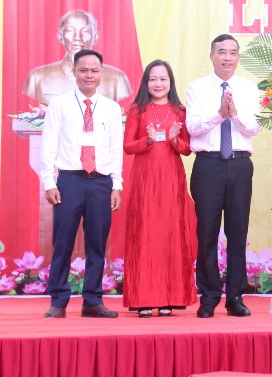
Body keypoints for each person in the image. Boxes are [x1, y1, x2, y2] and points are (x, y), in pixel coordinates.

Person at [41, 49, 123, 319]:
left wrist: (116, 184)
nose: (89, 75)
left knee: (97, 243)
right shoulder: (60, 105)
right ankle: (58, 300)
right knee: (63, 241)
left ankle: (92, 300)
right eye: (84, 70)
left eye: (94, 70)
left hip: (100, 182)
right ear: (74, 73)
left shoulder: (111, 108)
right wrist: (49, 183)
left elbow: (115, 149)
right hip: (70, 180)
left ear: (101, 74)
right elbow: (49, 144)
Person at [186, 34, 260, 318]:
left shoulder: (248, 88)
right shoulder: (197, 88)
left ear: (237, 57)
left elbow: (254, 128)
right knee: (206, 232)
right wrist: (218, 115)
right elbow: (192, 127)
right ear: (212, 55)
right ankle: (209, 296)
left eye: (232, 52)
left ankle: (235, 296)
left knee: (237, 232)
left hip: (240, 165)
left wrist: (235, 115)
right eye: (221, 52)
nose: (227, 57)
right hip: (208, 165)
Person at [122, 60, 197, 318]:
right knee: (145, 236)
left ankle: (169, 298)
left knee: (170, 235)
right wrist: (148, 140)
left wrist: (175, 139)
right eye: (153, 79)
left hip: (171, 181)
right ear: (146, 82)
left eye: (163, 79)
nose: (158, 84)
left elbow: (188, 149)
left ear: (170, 82)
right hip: (145, 181)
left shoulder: (180, 110)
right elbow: (128, 147)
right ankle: (143, 298)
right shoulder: (137, 110)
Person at [23, 9, 132, 107]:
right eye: (70, 31)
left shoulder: (117, 79)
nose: (77, 37)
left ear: (95, 37)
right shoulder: (37, 77)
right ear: (60, 36)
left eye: (85, 31)